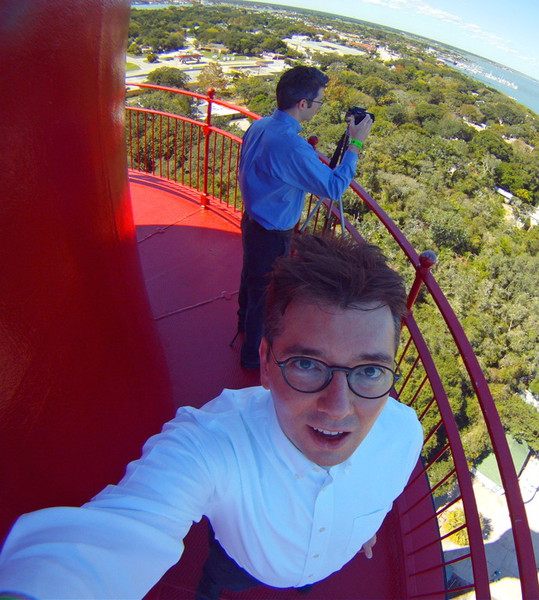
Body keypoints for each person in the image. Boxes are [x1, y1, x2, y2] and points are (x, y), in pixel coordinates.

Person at [0, 234, 423, 600]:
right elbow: (113, 537)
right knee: (217, 580)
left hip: (326, 564)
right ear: (265, 363)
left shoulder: (404, 434)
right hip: (238, 561)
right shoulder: (212, 443)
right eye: (307, 365)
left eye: (369, 371)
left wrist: (365, 523)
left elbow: (382, 491)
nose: (338, 406)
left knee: (302, 584)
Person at [237, 65, 374, 370]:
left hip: (252, 220)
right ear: (303, 104)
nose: (319, 106)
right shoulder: (291, 146)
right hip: (272, 233)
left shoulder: (260, 126)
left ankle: (241, 325)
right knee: (265, 297)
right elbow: (334, 187)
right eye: (319, 101)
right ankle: (251, 358)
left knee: (251, 280)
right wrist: (355, 143)